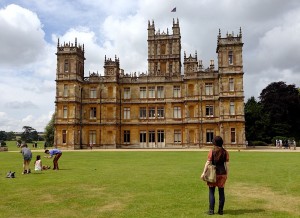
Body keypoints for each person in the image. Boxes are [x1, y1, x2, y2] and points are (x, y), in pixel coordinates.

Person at [201, 136, 229, 215]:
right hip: (222, 173)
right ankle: (220, 211)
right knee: (221, 192)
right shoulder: (225, 152)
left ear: (214, 143)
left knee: (211, 192)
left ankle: (211, 211)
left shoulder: (211, 151)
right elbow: (227, 165)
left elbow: (208, 162)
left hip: (213, 174)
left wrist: (203, 172)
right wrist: (227, 174)